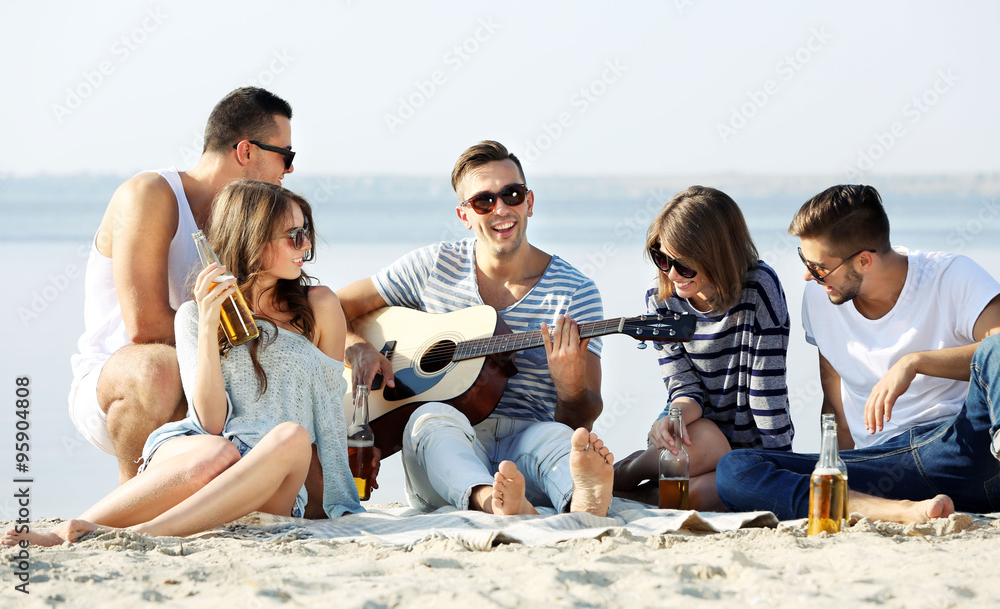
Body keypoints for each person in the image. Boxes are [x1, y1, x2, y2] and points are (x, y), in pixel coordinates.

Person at [6, 181, 362, 546]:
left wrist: (340, 492)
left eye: (307, 233)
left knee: (292, 436)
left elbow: (328, 412)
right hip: (201, 449)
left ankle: (133, 535)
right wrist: (208, 327)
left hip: (270, 471)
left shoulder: (318, 307)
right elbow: (209, 422)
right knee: (218, 451)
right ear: (253, 238)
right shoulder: (195, 314)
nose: (307, 246)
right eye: (294, 235)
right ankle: (62, 531)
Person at [337, 140, 615, 517]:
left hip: (527, 443)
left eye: (512, 194)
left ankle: (581, 500)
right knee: (428, 420)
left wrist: (570, 389)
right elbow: (334, 307)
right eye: (484, 201)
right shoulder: (433, 265)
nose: (501, 209)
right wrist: (356, 346)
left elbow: (581, 416)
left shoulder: (575, 292)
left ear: (529, 202)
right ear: (464, 214)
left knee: (559, 438)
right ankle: (491, 499)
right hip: (444, 456)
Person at [716, 184, 1000, 522]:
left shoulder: (951, 276)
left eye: (819, 267)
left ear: (864, 260)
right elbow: (834, 403)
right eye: (804, 260)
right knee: (736, 469)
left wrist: (915, 362)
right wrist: (831, 465)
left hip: (962, 444)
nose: (808, 275)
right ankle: (896, 512)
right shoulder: (820, 299)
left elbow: (994, 353)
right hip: (886, 465)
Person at [70, 87, 297, 483]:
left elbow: (287, 306)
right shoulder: (150, 194)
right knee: (161, 368)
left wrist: (352, 343)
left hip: (207, 379)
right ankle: (131, 499)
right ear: (246, 151)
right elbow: (146, 325)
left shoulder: (246, 220)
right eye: (286, 156)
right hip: (125, 381)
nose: (289, 170)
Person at [612, 186, 793, 510]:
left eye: (684, 265)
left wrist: (780, 462)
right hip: (692, 430)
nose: (671, 274)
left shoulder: (759, 289)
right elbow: (682, 385)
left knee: (695, 496)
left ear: (718, 255)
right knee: (707, 440)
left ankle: (629, 495)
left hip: (747, 444)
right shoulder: (660, 298)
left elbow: (766, 391)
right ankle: (626, 471)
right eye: (661, 257)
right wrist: (673, 417)